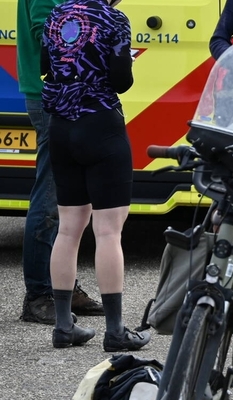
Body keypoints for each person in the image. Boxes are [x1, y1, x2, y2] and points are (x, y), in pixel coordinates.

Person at [40, 0, 151, 352]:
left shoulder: (57, 16)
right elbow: (122, 81)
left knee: (69, 228)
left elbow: (46, 66)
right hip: (100, 124)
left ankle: (63, 326)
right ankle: (116, 331)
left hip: (60, 127)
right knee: (107, 230)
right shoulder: (113, 18)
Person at [15, 0, 105, 324]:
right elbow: (46, 35)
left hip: (68, 94)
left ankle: (62, 285)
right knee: (52, 197)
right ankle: (39, 295)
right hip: (51, 95)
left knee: (71, 198)